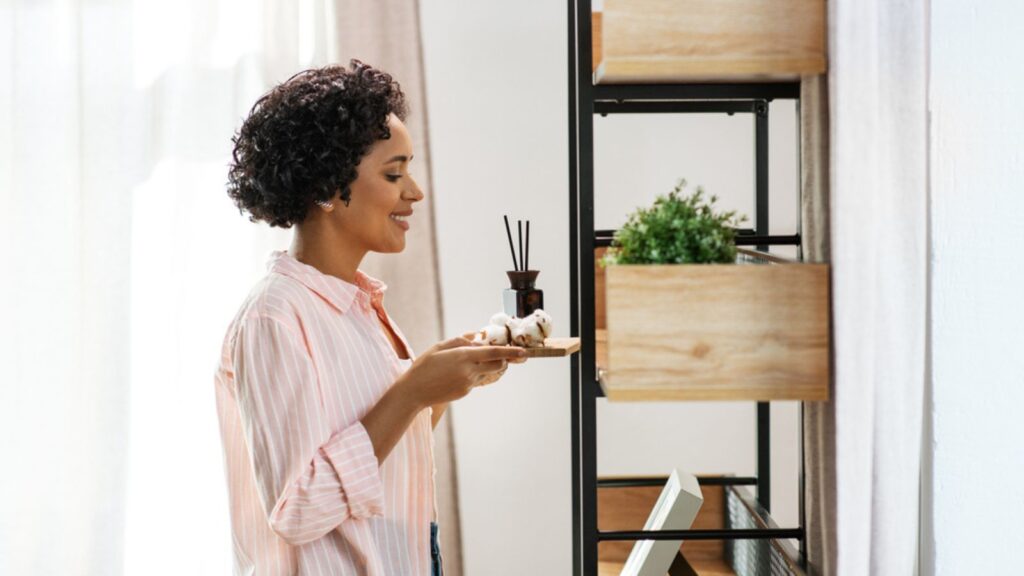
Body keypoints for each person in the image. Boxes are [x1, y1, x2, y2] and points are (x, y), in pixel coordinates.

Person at [214, 60, 525, 576]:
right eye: (393, 173)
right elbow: (296, 508)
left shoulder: (361, 307)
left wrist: (442, 386)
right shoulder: (274, 318)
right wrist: (412, 391)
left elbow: (382, 453)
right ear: (328, 188)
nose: (415, 192)